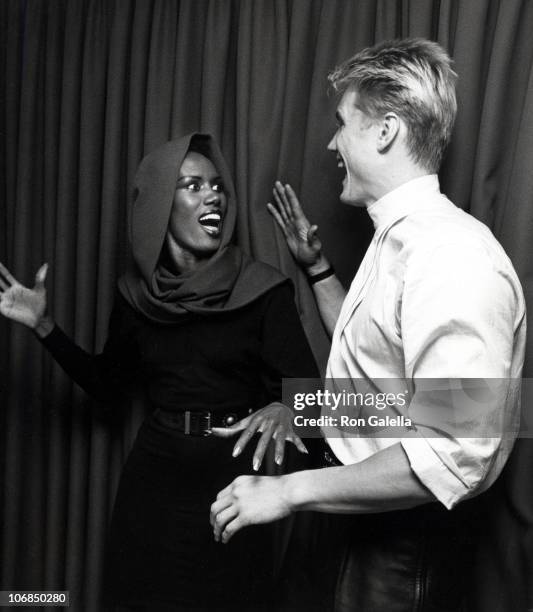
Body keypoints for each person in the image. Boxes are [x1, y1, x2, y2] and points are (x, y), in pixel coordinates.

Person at [210, 39, 527, 610]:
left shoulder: (451, 254)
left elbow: (451, 451)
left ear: (385, 131)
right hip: (348, 523)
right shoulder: (399, 240)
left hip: (394, 559)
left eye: (341, 124)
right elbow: (375, 371)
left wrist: (289, 492)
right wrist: (318, 268)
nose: (331, 144)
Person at [0, 133, 319, 610]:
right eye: (192, 185)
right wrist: (46, 327)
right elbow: (108, 386)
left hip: (232, 483)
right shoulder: (135, 297)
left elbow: (314, 400)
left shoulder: (263, 291)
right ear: (158, 207)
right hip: (153, 481)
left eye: (217, 185)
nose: (213, 195)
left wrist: (285, 405)